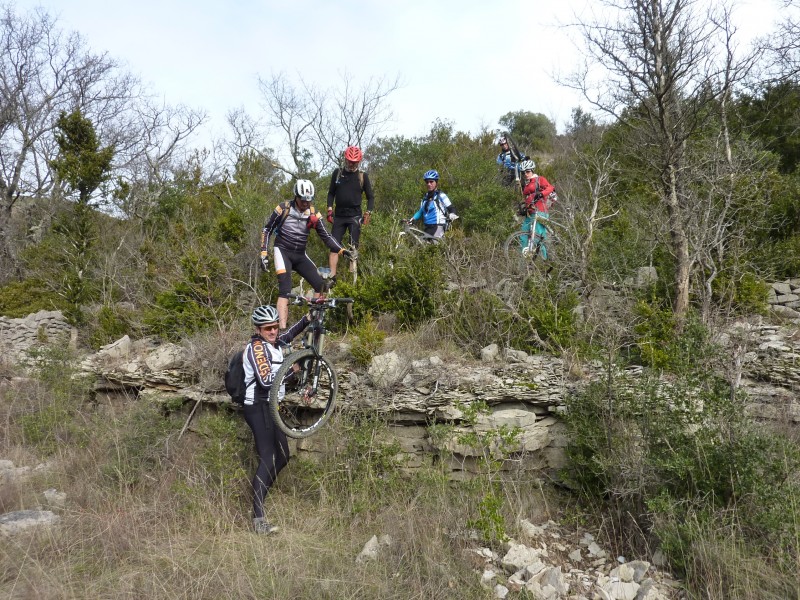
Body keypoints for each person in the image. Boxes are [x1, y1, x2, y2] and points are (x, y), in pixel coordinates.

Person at [240, 304, 311, 534]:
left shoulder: (275, 343)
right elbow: (267, 382)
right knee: (269, 457)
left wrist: (309, 317)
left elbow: (289, 334)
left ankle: (260, 496)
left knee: (283, 456)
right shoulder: (257, 349)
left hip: (271, 406)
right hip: (257, 406)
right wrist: (294, 369)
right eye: (267, 328)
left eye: (274, 327)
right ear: (258, 329)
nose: (273, 331)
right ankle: (258, 518)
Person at [260, 179, 348, 329]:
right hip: (282, 251)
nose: (306, 203)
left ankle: (312, 325)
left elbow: (326, 236)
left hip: (300, 254)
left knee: (321, 286)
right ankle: (281, 331)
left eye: (309, 200)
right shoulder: (283, 208)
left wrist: (342, 250)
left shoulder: (313, 214)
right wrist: (263, 253)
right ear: (296, 196)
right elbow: (267, 230)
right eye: (303, 200)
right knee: (285, 291)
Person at [326, 145, 375, 283]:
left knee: (353, 248)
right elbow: (331, 193)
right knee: (334, 246)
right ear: (345, 159)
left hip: (355, 216)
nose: (352, 164)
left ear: (359, 161)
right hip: (339, 216)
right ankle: (332, 278)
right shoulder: (337, 173)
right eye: (349, 161)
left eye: (355, 162)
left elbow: (370, 197)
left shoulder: (362, 176)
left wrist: (368, 212)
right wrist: (329, 209)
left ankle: (351, 280)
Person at [518, 159, 556, 258]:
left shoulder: (540, 179)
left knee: (537, 238)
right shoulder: (526, 184)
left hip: (540, 211)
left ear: (532, 170)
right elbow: (527, 198)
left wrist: (541, 194)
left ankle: (543, 260)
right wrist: (524, 209)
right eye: (523, 172)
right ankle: (524, 262)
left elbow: (550, 188)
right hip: (530, 213)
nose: (525, 174)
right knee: (523, 237)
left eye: (528, 171)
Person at [408, 169, 458, 242]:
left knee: (435, 247)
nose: (429, 184)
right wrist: (412, 219)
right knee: (422, 248)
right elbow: (420, 212)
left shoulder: (441, 196)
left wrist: (452, 214)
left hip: (439, 227)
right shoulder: (425, 198)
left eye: (431, 182)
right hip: (427, 227)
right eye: (427, 182)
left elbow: (451, 208)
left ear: (436, 183)